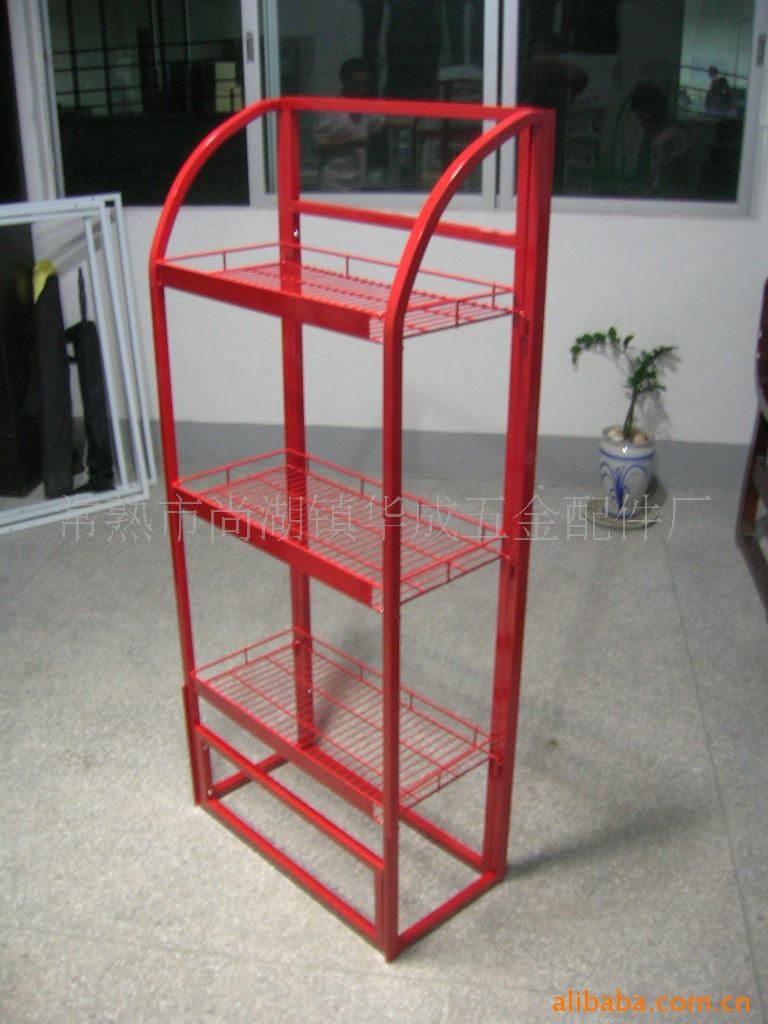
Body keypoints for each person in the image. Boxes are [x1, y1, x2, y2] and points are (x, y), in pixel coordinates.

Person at [314, 59, 383, 191]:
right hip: (332, 183)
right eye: (355, 85)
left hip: (358, 183)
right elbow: (319, 145)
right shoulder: (329, 108)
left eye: (365, 85)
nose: (361, 90)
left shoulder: (367, 108)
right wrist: (352, 142)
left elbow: (384, 122)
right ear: (344, 81)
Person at [629, 82, 697, 198]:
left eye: (641, 117)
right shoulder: (664, 134)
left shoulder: (669, 138)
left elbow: (660, 184)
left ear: (649, 114)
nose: (641, 123)